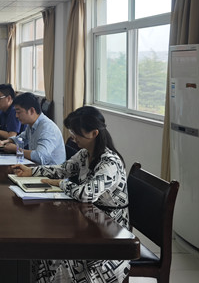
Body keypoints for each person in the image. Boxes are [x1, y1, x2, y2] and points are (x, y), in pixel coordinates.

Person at [11, 106, 129, 282]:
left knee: (66, 259)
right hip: (90, 220)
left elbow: (86, 194)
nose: (73, 137)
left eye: (77, 133)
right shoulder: (84, 154)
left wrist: (61, 183)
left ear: (94, 133)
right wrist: (31, 172)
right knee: (44, 251)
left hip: (110, 232)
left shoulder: (109, 162)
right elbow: (61, 170)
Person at [0, 92, 65, 165]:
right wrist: (4, 142)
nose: (16, 116)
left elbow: (40, 156)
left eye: (18, 112)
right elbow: (22, 138)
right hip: (36, 167)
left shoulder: (47, 128)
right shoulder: (31, 124)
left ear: (32, 111)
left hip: (50, 171)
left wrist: (16, 149)